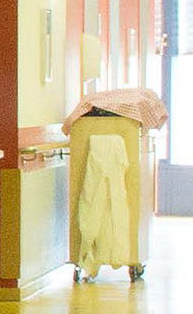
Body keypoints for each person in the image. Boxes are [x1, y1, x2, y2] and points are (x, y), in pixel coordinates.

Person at [65, 86, 162, 283]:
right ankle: (99, 255)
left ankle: (89, 256)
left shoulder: (88, 122)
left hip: (98, 156)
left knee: (92, 206)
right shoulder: (131, 124)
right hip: (117, 148)